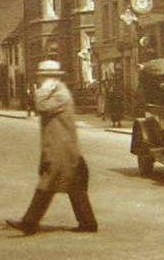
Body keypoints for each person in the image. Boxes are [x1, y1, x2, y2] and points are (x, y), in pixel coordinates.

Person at [6, 60, 98, 235]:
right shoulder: (57, 92)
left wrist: (43, 90)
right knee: (74, 186)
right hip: (62, 147)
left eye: (42, 77)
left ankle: (29, 222)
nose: (40, 80)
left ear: (51, 78)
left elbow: (40, 106)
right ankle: (88, 223)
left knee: (47, 184)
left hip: (61, 148)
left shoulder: (59, 94)